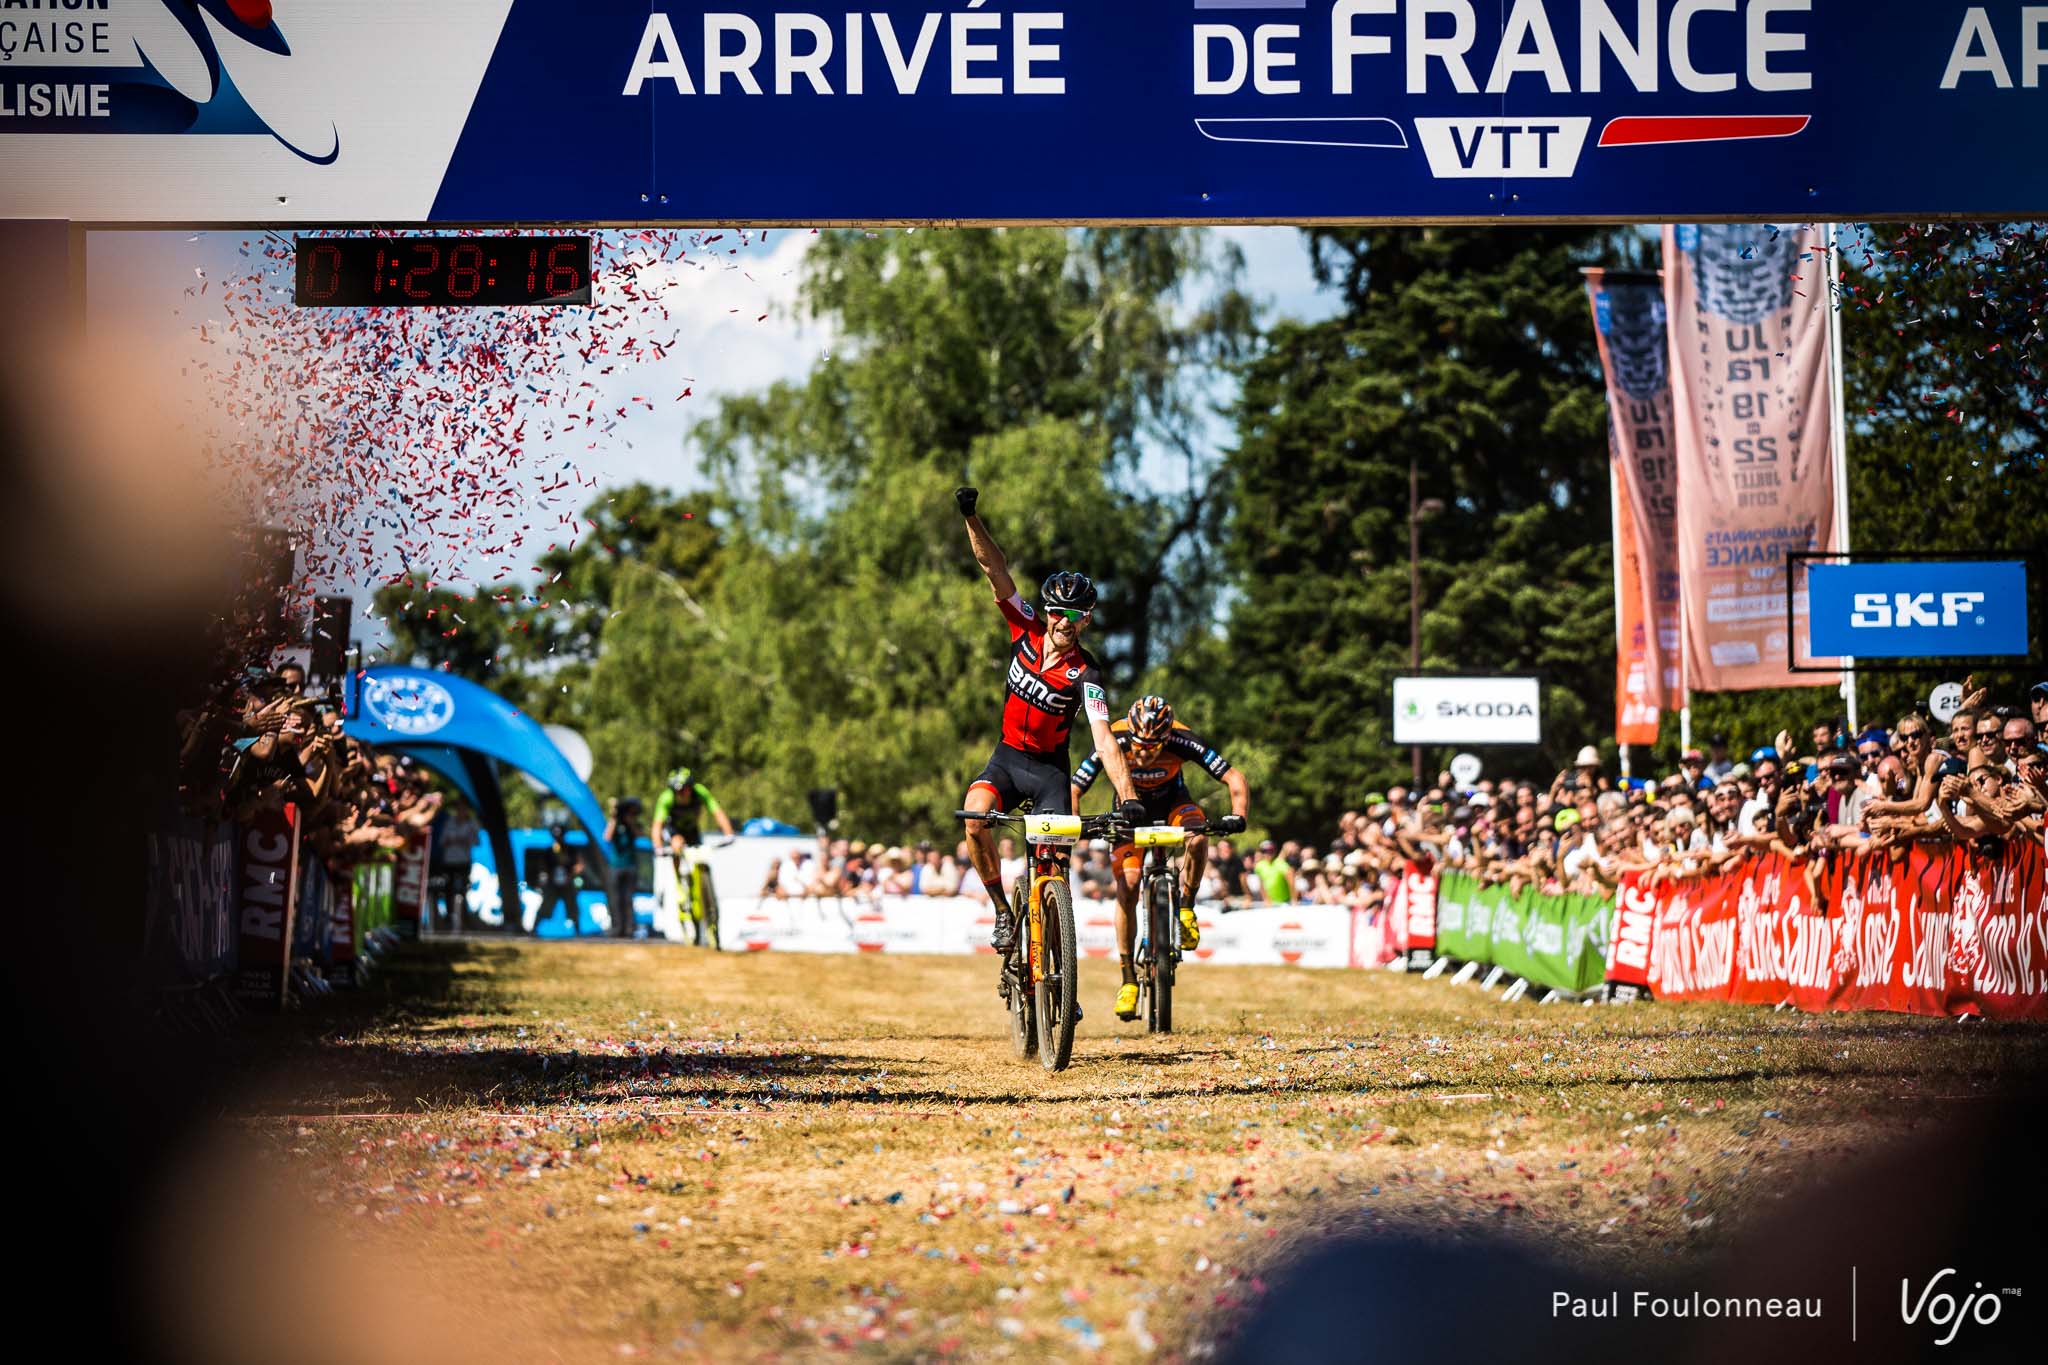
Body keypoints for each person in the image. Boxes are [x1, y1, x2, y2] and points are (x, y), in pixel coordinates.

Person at [952, 485, 1143, 957]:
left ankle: (1058, 975)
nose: (1064, 621)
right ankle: (1001, 908)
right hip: (1007, 758)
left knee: (1053, 868)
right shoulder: (1026, 626)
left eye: (1075, 616)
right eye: (1058, 612)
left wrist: (1129, 797)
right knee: (975, 819)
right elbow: (993, 568)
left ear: (1086, 621)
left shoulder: (1087, 672)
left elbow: (1104, 737)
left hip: (1050, 772)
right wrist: (971, 517)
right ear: (1048, 612)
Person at [1071, 693, 1252, 1021]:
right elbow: (1075, 788)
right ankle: (1128, 978)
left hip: (1174, 804)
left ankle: (1186, 907)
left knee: (1197, 839)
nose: (1142, 754)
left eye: (1153, 748)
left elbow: (1233, 777)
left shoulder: (1182, 740)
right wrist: (1075, 827)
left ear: (1166, 739)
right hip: (1129, 810)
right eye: (1138, 746)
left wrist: (1238, 816)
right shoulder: (1116, 737)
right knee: (1128, 885)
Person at [602, 796, 644, 938]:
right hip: (615, 866)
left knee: (628, 899)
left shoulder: (633, 824)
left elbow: (640, 835)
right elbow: (607, 837)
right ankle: (617, 928)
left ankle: (629, 928)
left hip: (630, 865)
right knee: (615, 899)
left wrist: (629, 821)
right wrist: (614, 817)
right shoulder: (615, 823)